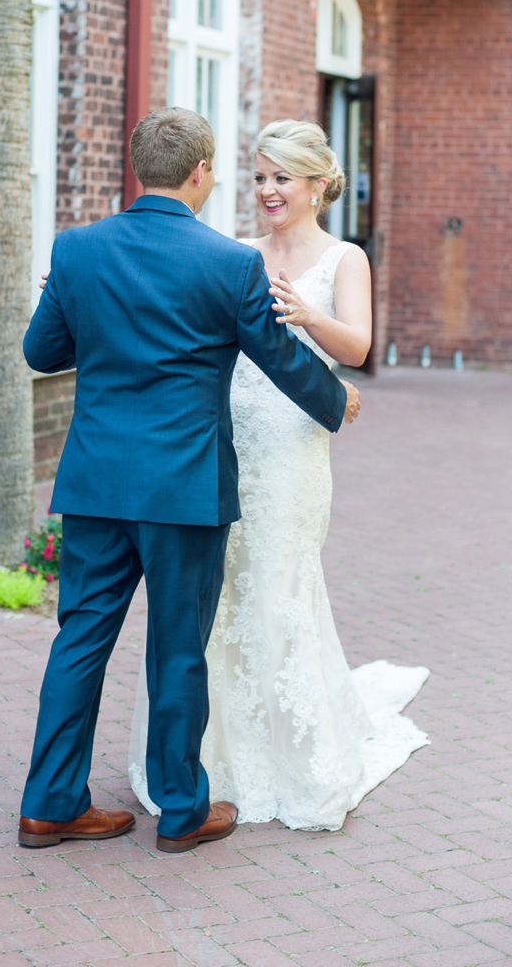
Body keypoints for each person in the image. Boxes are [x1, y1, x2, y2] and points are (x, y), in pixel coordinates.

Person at [18, 108, 361, 854]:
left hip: (97, 484)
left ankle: (48, 805)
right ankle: (181, 812)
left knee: (80, 639)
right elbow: (277, 355)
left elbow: (41, 352)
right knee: (177, 647)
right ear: (202, 172)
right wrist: (336, 402)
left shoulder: (77, 251)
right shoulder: (226, 263)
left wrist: (73, 298)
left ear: (139, 168)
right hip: (184, 489)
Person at [130, 119, 428, 831]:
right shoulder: (235, 252)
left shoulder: (344, 257)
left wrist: (308, 314)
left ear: (318, 184)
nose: (266, 190)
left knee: (279, 584)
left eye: (280, 178)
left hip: (292, 448)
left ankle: (295, 756)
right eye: (260, 176)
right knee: (221, 593)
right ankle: (212, 756)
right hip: (225, 438)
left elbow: (358, 347)